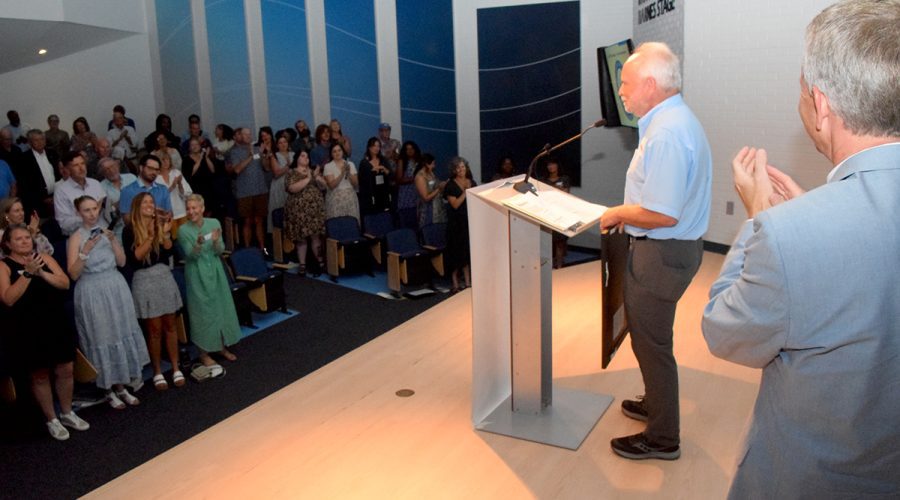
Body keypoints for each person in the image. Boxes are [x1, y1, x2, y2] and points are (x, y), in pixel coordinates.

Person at [702, 1, 900, 497]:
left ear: (822, 103)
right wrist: (810, 214)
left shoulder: (787, 234)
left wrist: (763, 220)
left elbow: (725, 331)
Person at [599, 41, 711, 460]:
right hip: (671, 251)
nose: (621, 93)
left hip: (662, 255)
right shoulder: (673, 120)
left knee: (651, 344)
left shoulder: (666, 133)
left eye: (625, 84)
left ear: (650, 83)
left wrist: (617, 212)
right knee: (649, 338)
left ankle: (663, 438)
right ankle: (654, 404)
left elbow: (662, 214)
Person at [0, 225, 89, 440]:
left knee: (65, 368)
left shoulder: (44, 258)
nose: (24, 241)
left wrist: (40, 272)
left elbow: (65, 283)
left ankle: (67, 412)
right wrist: (28, 273)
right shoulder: (4, 266)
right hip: (27, 327)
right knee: (39, 374)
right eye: (19, 239)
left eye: (27, 237)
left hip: (54, 321)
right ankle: (52, 419)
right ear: (8, 244)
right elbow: (8, 298)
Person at [67, 195, 149, 409]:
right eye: (87, 210)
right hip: (92, 289)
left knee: (120, 332)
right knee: (101, 336)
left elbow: (122, 261)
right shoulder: (75, 237)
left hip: (114, 285)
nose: (92, 213)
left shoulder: (107, 232)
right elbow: (73, 274)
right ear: (79, 213)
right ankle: (108, 389)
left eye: (94, 208)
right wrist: (85, 252)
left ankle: (122, 385)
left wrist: (113, 240)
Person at [123, 193, 184, 390]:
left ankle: (175, 367)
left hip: (164, 276)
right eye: (145, 202)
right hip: (144, 279)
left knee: (170, 325)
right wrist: (150, 236)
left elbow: (169, 251)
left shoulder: (159, 226)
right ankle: (157, 371)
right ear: (137, 207)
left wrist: (164, 234)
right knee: (154, 329)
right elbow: (136, 258)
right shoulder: (129, 230)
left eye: (151, 202)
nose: (150, 205)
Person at [176, 194, 241, 371]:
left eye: (194, 208)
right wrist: (197, 244)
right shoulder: (183, 230)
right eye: (188, 208)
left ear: (202, 208)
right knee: (201, 312)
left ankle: (220, 346)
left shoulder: (214, 223)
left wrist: (214, 241)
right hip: (196, 273)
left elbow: (220, 249)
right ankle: (203, 353)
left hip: (215, 270)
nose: (191, 212)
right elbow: (190, 255)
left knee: (220, 308)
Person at [283, 150, 326, 276]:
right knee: (301, 239)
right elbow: (292, 188)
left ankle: (320, 262)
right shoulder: (291, 172)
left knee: (316, 237)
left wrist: (317, 177)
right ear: (297, 158)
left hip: (314, 211)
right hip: (299, 212)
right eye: (302, 156)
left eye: (307, 156)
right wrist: (308, 178)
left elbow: (324, 186)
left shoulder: (313, 172)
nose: (305, 158)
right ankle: (302, 265)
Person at [226, 128, 269, 251]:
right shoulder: (234, 152)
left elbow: (266, 168)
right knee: (247, 221)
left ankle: (262, 248)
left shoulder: (257, 149)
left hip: (260, 190)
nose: (249, 136)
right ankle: (248, 249)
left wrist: (264, 156)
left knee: (259, 220)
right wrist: (250, 157)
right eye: (246, 134)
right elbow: (237, 170)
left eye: (250, 134)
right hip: (245, 192)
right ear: (240, 136)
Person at [54, 152, 106, 236]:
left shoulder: (95, 183)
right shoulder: (61, 191)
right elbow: (64, 224)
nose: (81, 168)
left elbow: (105, 211)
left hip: (103, 231)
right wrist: (85, 216)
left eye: (82, 163)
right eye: (76, 165)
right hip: (80, 237)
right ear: (67, 169)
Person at [443, 157, 475, 293]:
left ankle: (468, 282)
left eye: (463, 167)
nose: (461, 170)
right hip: (456, 224)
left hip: (468, 221)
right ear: (454, 170)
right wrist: (465, 192)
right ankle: (455, 283)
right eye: (458, 168)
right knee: (456, 252)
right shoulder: (450, 185)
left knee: (466, 252)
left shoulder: (471, 182)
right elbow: (455, 204)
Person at [539, 157, 571, 268]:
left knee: (560, 242)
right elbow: (543, 195)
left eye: (553, 164)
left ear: (557, 165)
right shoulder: (543, 180)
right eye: (549, 165)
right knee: (547, 242)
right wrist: (556, 189)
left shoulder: (565, 178)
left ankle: (560, 268)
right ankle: (547, 268)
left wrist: (550, 189)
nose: (551, 167)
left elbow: (565, 193)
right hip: (547, 213)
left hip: (561, 213)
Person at [154, 149, 192, 237]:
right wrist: (171, 187)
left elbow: (188, 194)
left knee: (185, 238)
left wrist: (180, 185)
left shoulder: (176, 173)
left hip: (181, 212)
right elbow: (157, 198)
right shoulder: (155, 178)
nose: (165, 162)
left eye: (167, 159)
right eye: (162, 160)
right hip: (167, 216)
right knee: (174, 240)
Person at [98, 157, 136, 243]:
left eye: (112, 166)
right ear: (103, 173)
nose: (111, 170)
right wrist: (115, 207)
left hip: (140, 222)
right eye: (106, 169)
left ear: (117, 166)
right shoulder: (100, 187)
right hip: (119, 229)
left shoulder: (131, 177)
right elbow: (103, 213)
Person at [323, 143, 360, 222]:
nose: (337, 153)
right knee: (338, 225)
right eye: (334, 151)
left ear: (343, 152)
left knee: (352, 224)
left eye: (339, 150)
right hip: (335, 200)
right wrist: (342, 173)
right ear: (331, 154)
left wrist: (348, 173)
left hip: (350, 198)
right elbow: (332, 185)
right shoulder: (328, 166)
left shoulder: (350, 164)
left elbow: (356, 184)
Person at [357, 137, 393, 215]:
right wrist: (371, 171)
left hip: (383, 194)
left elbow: (391, 176)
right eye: (374, 146)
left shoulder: (383, 160)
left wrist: (385, 170)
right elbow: (360, 180)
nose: (376, 148)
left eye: (378, 146)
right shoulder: (364, 163)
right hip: (370, 196)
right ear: (369, 147)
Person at [267, 133, 293, 235]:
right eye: (280, 143)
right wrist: (288, 166)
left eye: (285, 142)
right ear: (277, 145)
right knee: (280, 211)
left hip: (292, 184)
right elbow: (277, 173)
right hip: (280, 186)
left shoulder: (294, 154)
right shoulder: (274, 156)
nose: (283, 144)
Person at [414, 153, 446, 227]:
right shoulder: (420, 177)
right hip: (428, 210)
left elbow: (435, 184)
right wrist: (439, 188)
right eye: (432, 164)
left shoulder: (430, 172)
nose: (434, 166)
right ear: (426, 164)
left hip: (438, 206)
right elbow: (426, 198)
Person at [395, 141, 421, 229]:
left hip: (418, 194)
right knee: (407, 221)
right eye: (407, 149)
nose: (409, 151)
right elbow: (399, 179)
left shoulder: (419, 161)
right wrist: (414, 179)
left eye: (411, 148)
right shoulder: (402, 161)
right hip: (406, 195)